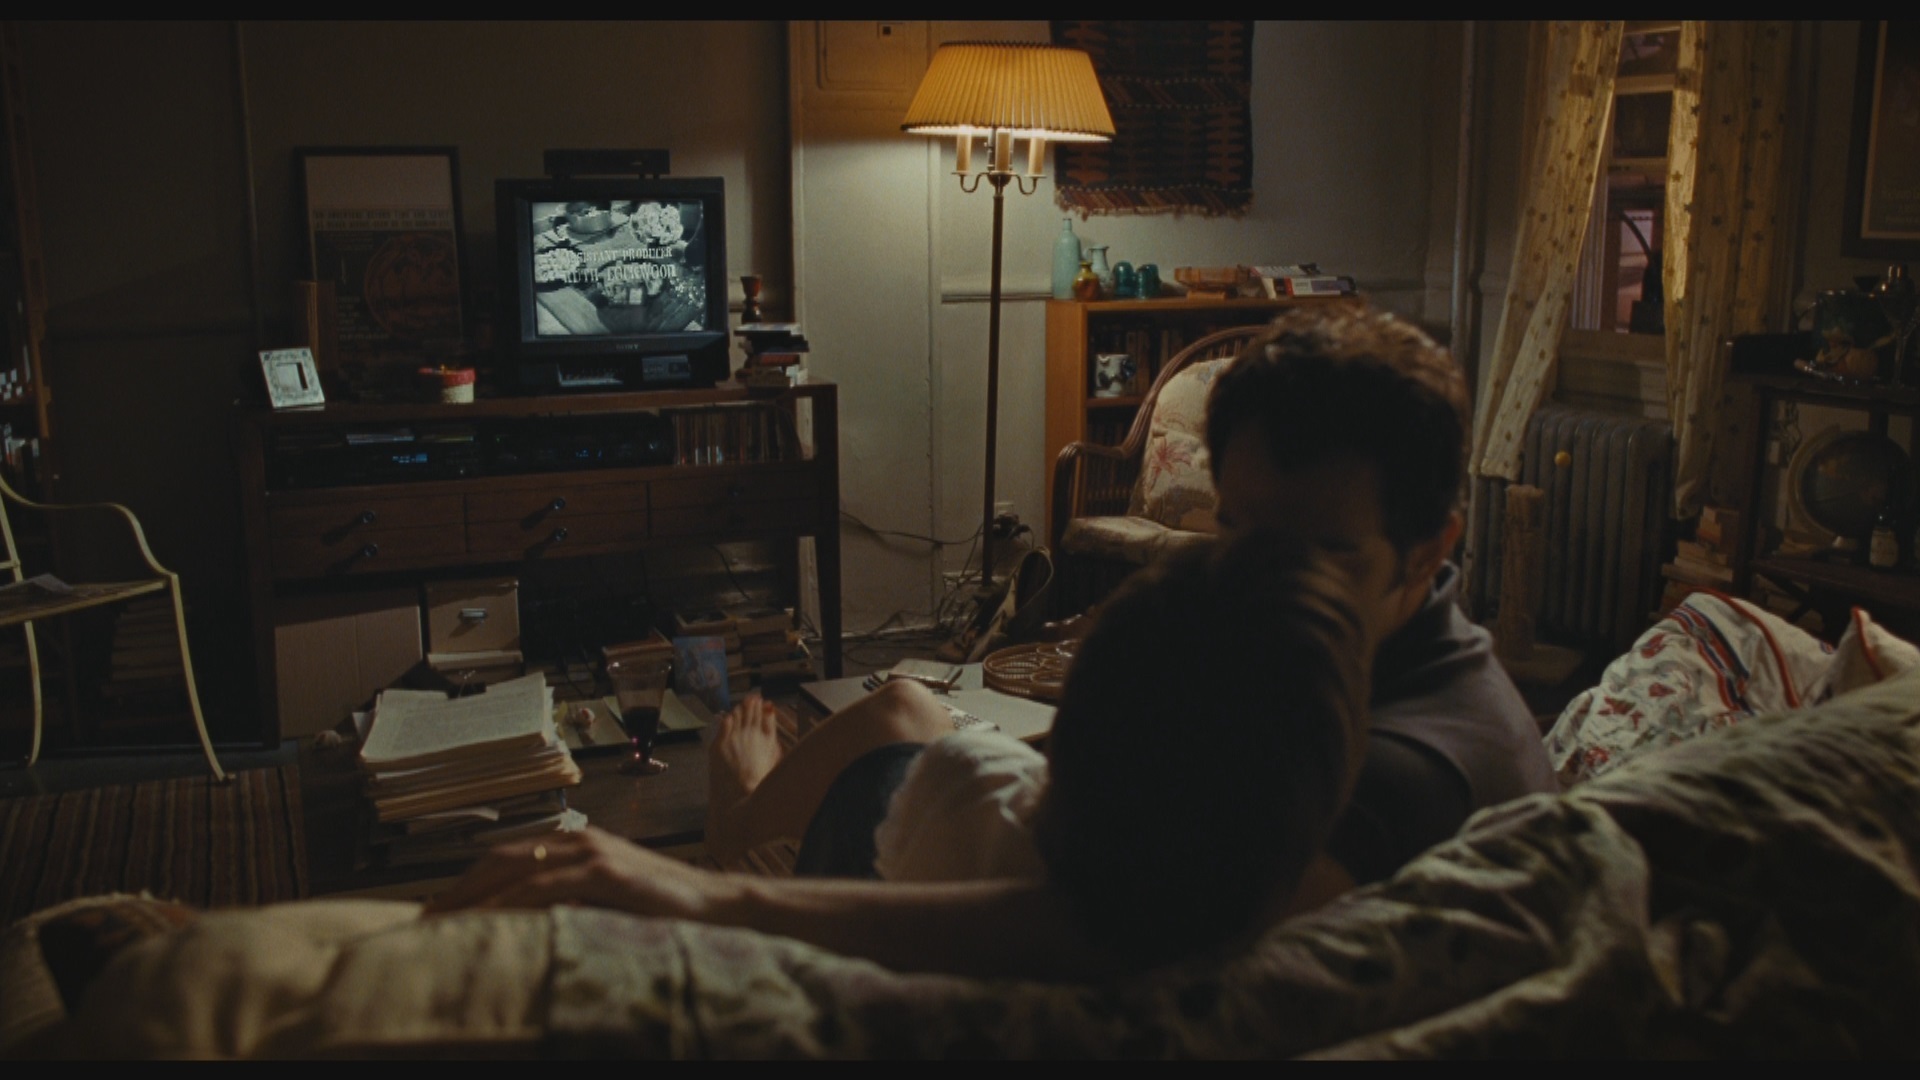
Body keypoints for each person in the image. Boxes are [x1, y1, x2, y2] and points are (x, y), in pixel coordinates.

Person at [428, 531, 1373, 979]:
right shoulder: (1339, 933)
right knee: (911, 719)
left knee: (901, 727)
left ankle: (742, 810)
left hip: (872, 871)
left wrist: (718, 893)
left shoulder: (979, 799)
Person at [1203, 304, 1557, 907]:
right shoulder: (1377, 654)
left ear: (1427, 553)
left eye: (1323, 553)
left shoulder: (1396, 780)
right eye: (1235, 531)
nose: (1257, 583)